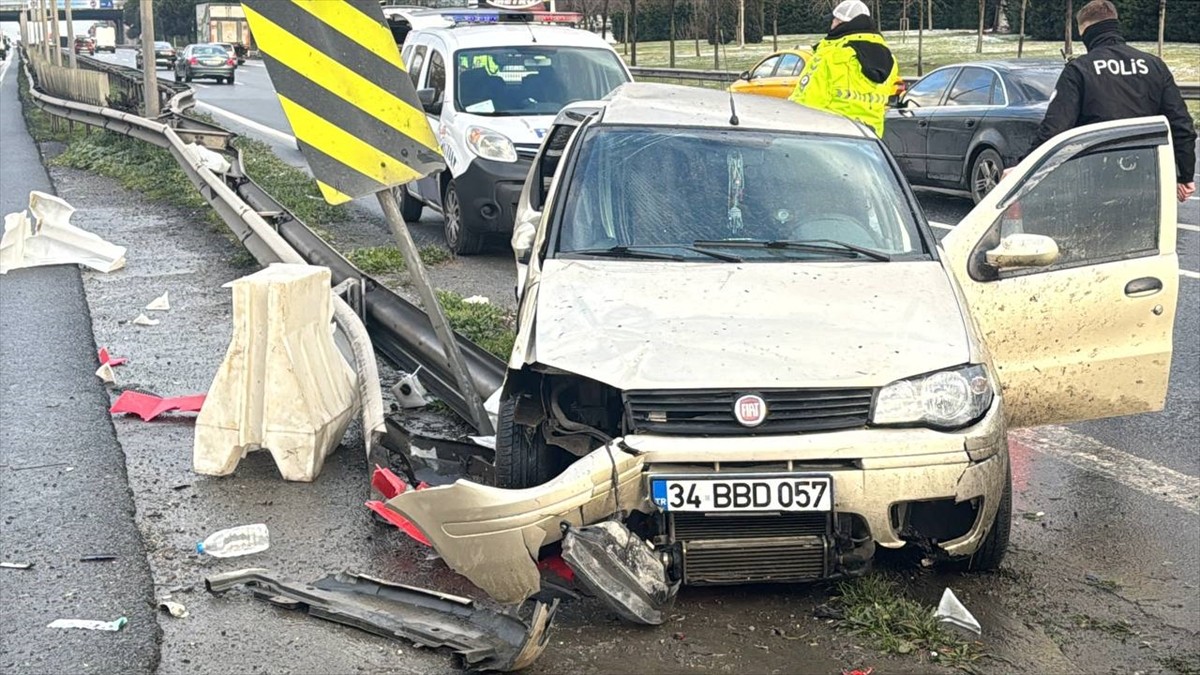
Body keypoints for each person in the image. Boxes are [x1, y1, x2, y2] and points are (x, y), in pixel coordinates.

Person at [1011, 0, 1196, 202]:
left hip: (1095, 177)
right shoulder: (1154, 65)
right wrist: (1185, 175)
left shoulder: (1079, 70)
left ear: (1086, 31)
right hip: (1147, 175)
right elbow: (1182, 125)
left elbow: (1054, 128)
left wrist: (1022, 169)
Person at [787, 0, 899, 138]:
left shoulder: (830, 55)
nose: (832, 23)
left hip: (831, 135)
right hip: (870, 139)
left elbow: (806, 101)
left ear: (840, 23)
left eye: (835, 19)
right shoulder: (889, 59)